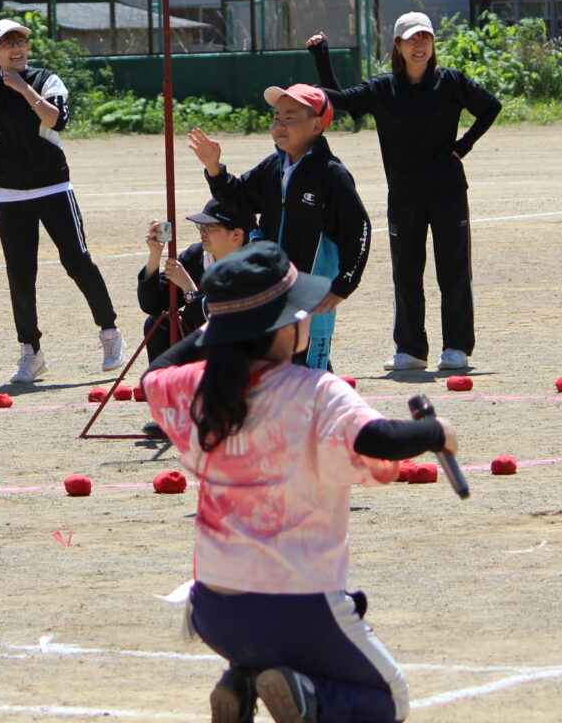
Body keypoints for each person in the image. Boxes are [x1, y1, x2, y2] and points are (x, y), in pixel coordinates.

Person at [142, 241, 456, 723]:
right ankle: (305, 695)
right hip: (298, 606)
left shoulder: (200, 388)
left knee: (270, 646)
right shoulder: (313, 391)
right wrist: (435, 432)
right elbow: (377, 438)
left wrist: (217, 326)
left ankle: (244, 680)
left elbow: (156, 373)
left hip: (214, 609)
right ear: (285, 327)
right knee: (390, 699)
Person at [0, 19, 123, 383]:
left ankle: (110, 333)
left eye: (20, 42)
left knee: (77, 260)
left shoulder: (46, 80)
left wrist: (25, 89)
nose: (17, 48)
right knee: (20, 274)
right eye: (7, 43)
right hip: (9, 193)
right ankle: (31, 352)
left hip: (53, 188)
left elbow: (57, 121)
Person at [308, 15, 501, 373]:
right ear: (397, 45)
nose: (419, 44)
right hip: (404, 196)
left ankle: (456, 348)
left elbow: (491, 106)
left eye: (425, 37)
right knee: (406, 273)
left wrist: (463, 145)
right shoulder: (384, 89)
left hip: (448, 193)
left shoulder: (451, 82)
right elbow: (340, 102)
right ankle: (410, 349)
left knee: (454, 271)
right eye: (412, 39)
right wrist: (322, 56)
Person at [186, 83, 371, 373]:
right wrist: (214, 168)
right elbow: (239, 198)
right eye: (276, 117)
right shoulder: (273, 167)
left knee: (310, 378)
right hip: (271, 294)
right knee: (273, 376)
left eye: (290, 117)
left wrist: (343, 285)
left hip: (312, 297)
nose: (280, 125)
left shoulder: (330, 173)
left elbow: (358, 229)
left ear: (317, 125)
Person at [136, 199, 255, 361]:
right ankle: (166, 384)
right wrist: (155, 256)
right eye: (201, 226)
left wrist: (189, 290)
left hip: (241, 356)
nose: (203, 232)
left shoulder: (257, 268)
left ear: (237, 234)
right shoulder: (196, 256)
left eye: (211, 227)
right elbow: (152, 304)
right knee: (159, 323)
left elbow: (223, 327)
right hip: (202, 347)